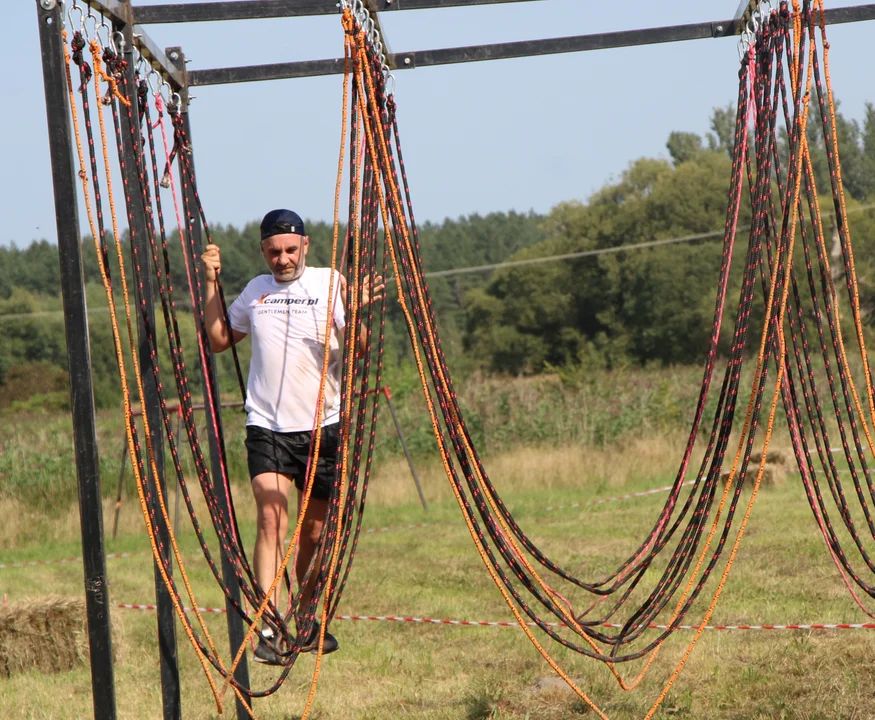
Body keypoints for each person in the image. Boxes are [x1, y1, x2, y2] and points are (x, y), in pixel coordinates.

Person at [201, 208, 384, 665]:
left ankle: (304, 617)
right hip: (267, 427)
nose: (282, 259)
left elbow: (359, 348)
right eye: (273, 252)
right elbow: (220, 338)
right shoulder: (256, 291)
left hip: (322, 426)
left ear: (304, 245)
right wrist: (209, 284)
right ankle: (269, 624)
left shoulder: (330, 283)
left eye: (289, 250)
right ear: (263, 251)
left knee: (317, 535)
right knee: (271, 518)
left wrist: (356, 311)